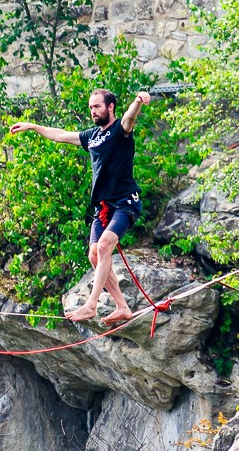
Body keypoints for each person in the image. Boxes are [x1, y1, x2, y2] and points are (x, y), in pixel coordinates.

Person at [8, 90, 154, 325]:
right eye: (90, 108)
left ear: (110, 107)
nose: (93, 111)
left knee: (106, 245)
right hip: (104, 206)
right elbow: (60, 135)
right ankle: (122, 306)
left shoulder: (120, 131)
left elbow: (129, 119)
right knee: (94, 255)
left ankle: (91, 305)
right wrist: (33, 126)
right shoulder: (92, 136)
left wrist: (137, 102)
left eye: (97, 107)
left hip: (126, 201)